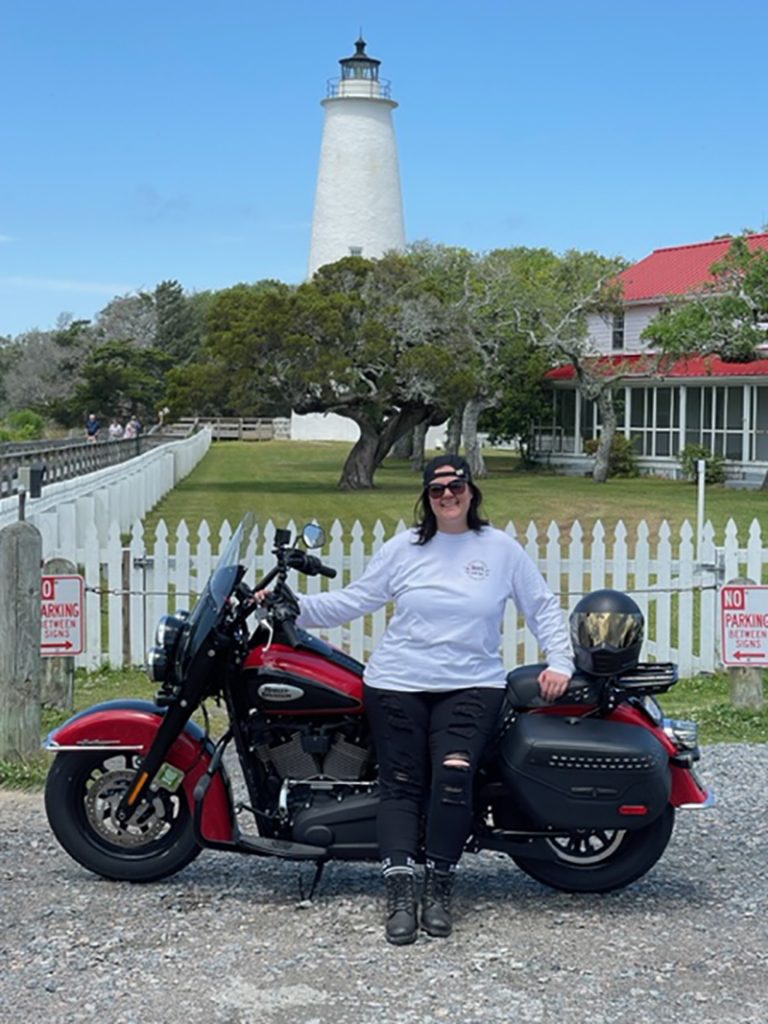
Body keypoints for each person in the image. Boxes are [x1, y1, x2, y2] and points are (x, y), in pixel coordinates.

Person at [285, 454, 573, 945]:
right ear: (427, 497)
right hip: (398, 681)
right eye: (437, 490)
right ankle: (400, 890)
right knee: (401, 783)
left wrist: (561, 661)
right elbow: (356, 600)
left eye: (455, 486)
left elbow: (541, 606)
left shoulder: (500, 549)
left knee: (453, 780)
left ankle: (439, 884)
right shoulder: (405, 548)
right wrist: (294, 606)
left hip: (472, 684)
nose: (447, 496)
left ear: (470, 491)